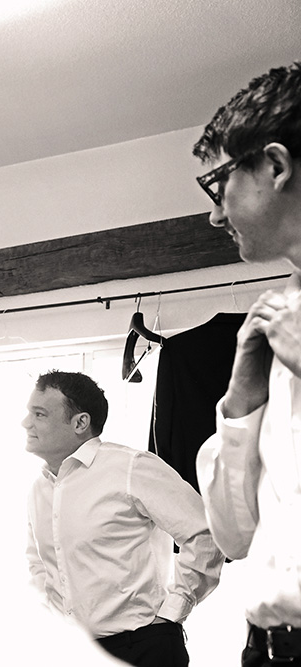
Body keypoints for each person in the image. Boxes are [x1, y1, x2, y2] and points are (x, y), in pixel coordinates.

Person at [193, 61, 301, 666]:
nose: (215, 216)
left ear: (276, 166)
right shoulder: (271, 324)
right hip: (266, 649)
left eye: (220, 185)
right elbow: (235, 538)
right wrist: (240, 407)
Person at [23, 371, 223, 667]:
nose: (26, 423)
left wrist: (172, 612)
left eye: (39, 414)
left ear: (80, 423)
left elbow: (204, 533)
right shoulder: (40, 489)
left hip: (142, 648)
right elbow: (39, 564)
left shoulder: (130, 467)